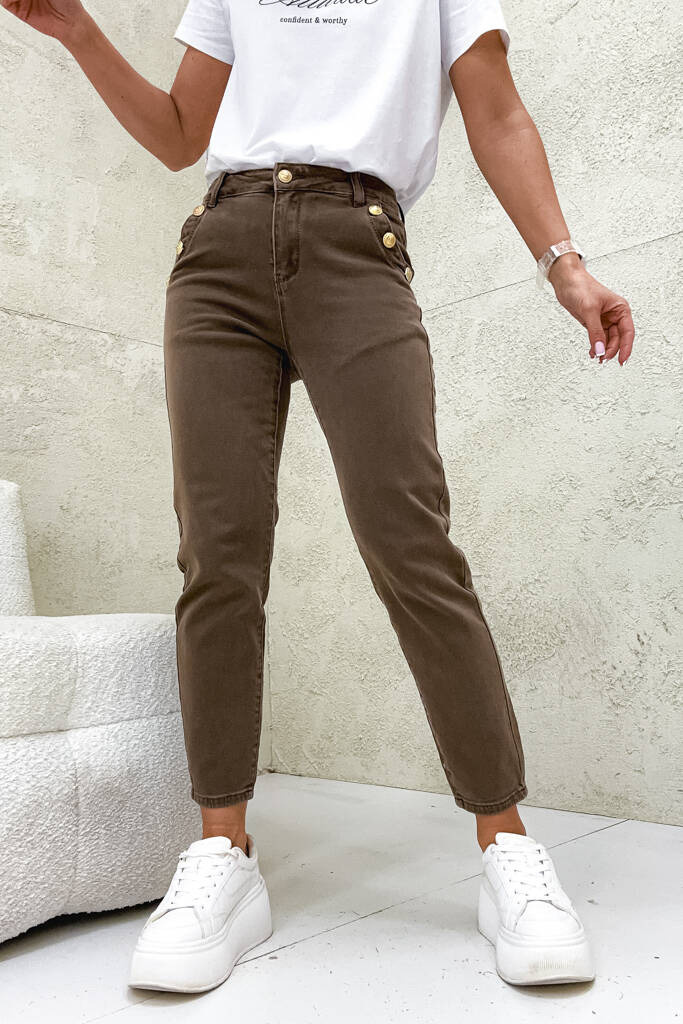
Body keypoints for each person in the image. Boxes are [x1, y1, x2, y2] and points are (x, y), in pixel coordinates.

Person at [3, 0, 635, 996]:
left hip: (357, 242)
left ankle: (506, 845)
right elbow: (180, 133)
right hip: (218, 252)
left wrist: (564, 262)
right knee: (217, 556)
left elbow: (497, 111)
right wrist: (79, 31)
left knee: (411, 545)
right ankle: (223, 850)